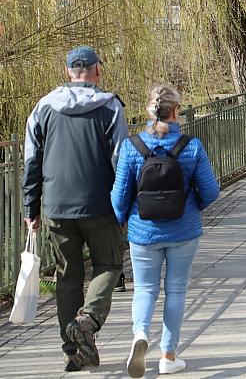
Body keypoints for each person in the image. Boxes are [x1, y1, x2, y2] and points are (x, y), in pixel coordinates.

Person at [22, 46, 128, 372]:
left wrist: (31, 206)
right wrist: (124, 203)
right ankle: (89, 319)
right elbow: (120, 159)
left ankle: (72, 352)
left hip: (55, 206)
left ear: (68, 72)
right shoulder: (110, 107)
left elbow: (31, 162)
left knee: (67, 277)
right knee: (109, 264)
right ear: (97, 70)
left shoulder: (43, 108)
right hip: (100, 205)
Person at [111, 85, 220, 377]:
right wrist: (190, 207)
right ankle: (169, 356)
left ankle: (140, 334)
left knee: (145, 289)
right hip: (183, 232)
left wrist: (126, 219)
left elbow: (119, 196)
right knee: (175, 291)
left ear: (149, 111)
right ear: (176, 111)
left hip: (143, 232)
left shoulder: (132, 147)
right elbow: (211, 191)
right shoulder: (191, 146)